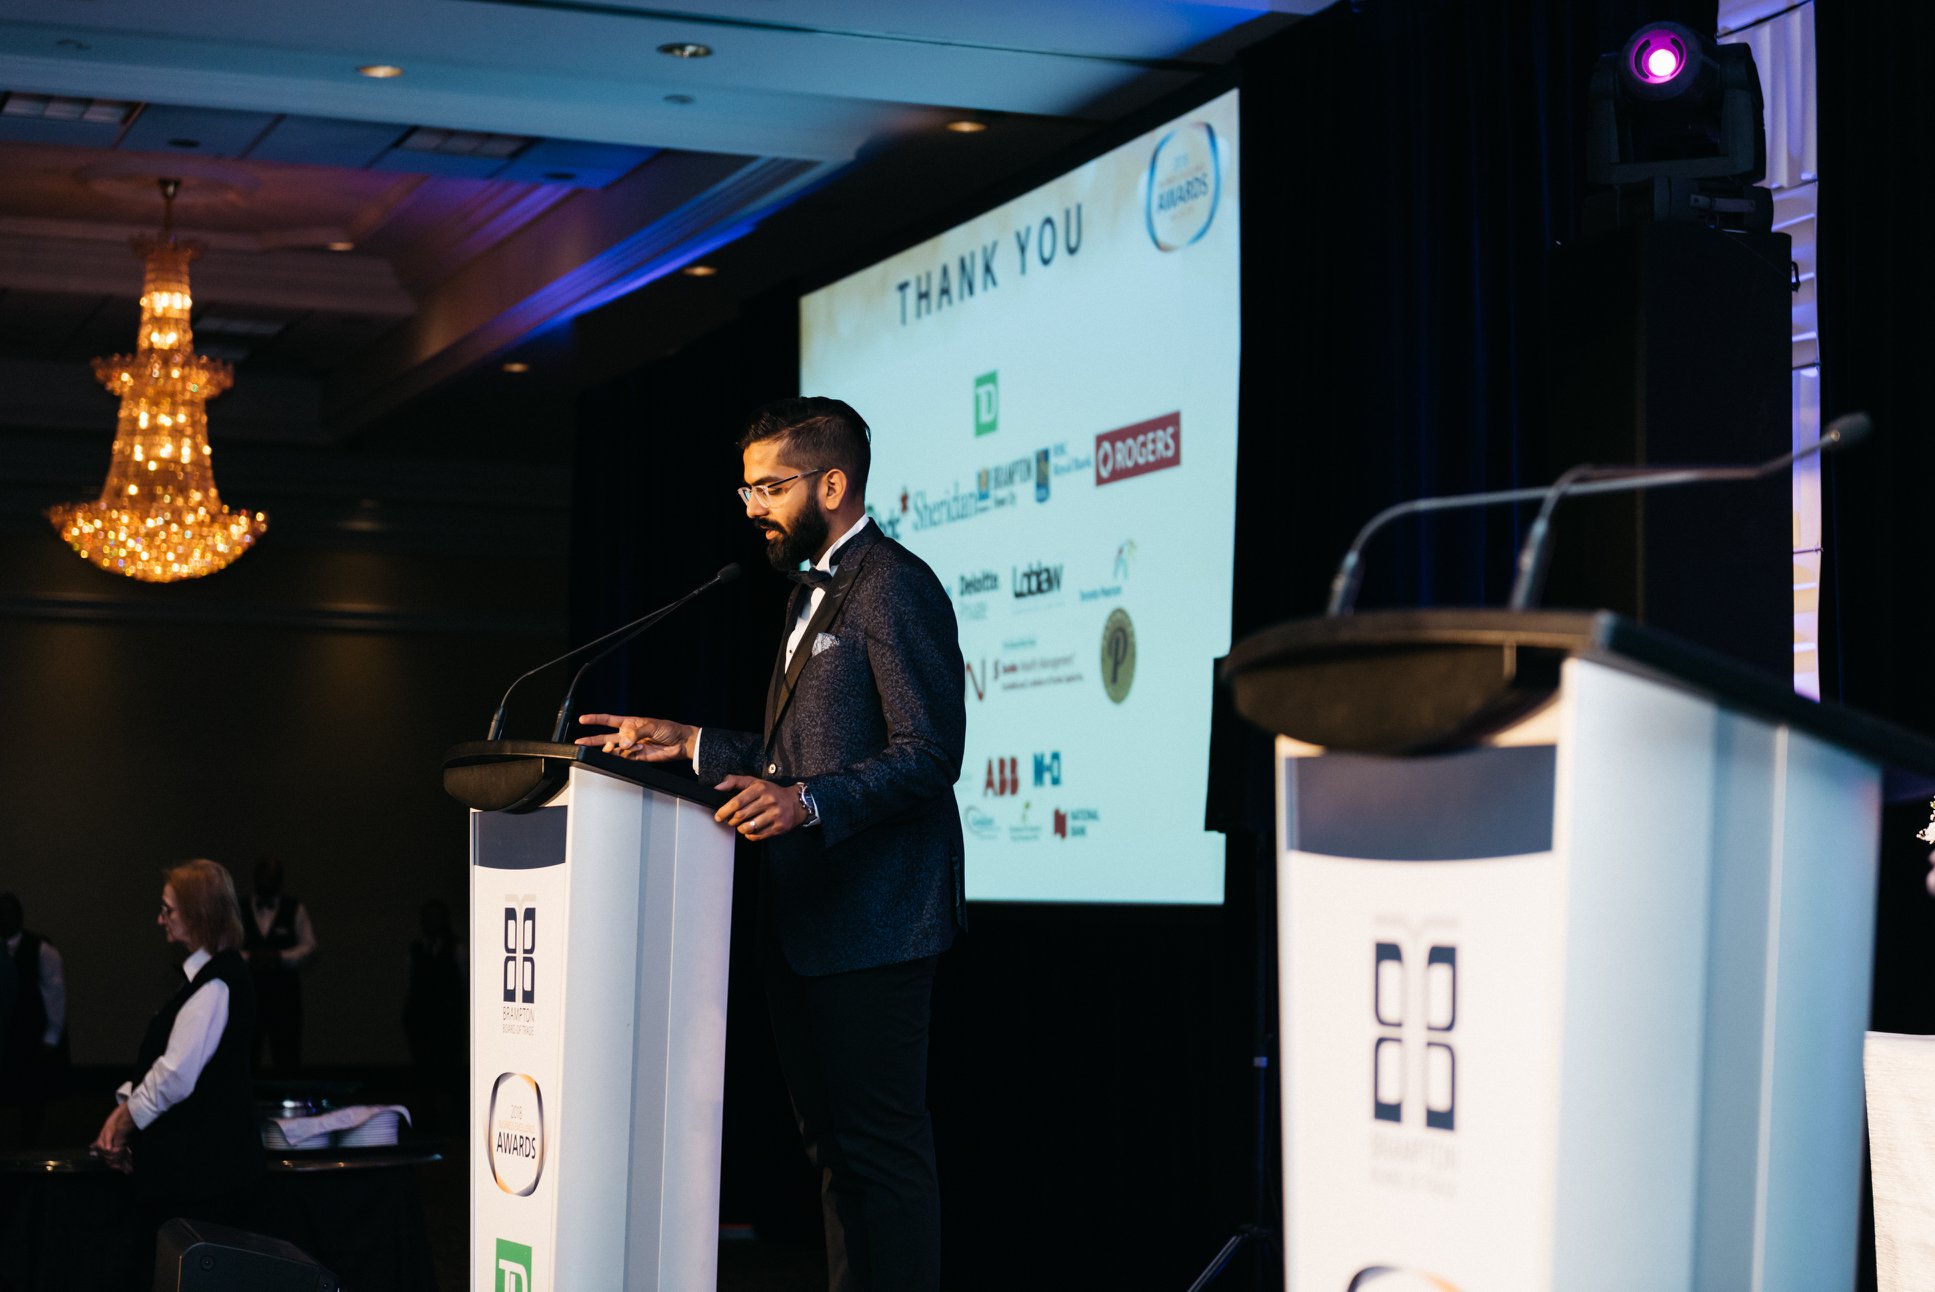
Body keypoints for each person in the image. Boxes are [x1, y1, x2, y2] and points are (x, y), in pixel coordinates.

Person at [577, 397, 965, 1292]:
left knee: (883, 1157)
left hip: (877, 925)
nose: (750, 505)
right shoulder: (807, 592)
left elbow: (929, 754)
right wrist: (692, 743)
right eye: (745, 486)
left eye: (769, 486)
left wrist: (807, 805)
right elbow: (799, 757)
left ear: (831, 484)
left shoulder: (894, 584)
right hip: (805, 921)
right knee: (833, 1154)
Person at [92, 858, 263, 1232]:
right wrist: (128, 1105)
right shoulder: (209, 978)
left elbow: (176, 1076)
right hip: (200, 1173)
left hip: (204, 1179)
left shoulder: (216, 983)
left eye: (168, 910)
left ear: (198, 915)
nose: (160, 919)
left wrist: (124, 1120)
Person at [0, 893, 68, 1147]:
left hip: (29, 1035)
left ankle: (29, 1146)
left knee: (31, 1099)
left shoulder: (41, 949)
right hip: (6, 1035)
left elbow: (55, 995)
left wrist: (50, 1038)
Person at [243, 858, 316, 1074]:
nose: (266, 882)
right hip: (248, 996)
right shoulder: (238, 908)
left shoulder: (294, 908)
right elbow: (222, 947)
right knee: (245, 1054)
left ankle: (291, 1100)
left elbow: (310, 947)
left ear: (280, 881)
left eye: (272, 878)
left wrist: (279, 957)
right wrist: (250, 957)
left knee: (287, 1054)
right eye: (263, 877)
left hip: (284, 997)